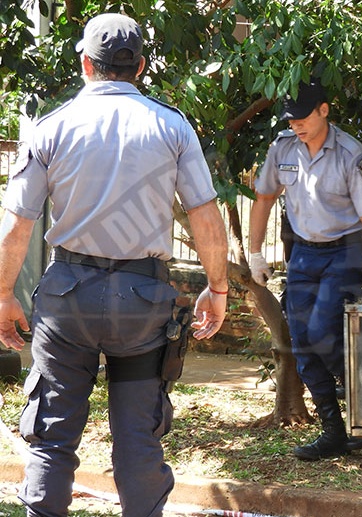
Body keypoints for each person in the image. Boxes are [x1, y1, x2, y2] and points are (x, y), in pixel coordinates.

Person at [0, 13, 229, 516]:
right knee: (137, 439)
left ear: (85, 63)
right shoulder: (172, 127)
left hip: (67, 301)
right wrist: (219, 288)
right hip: (142, 303)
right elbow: (206, 215)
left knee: (52, 436)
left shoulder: (50, 128)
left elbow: (17, 224)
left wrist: (2, 294)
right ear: (141, 66)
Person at [248, 79, 362, 460]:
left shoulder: (350, 154)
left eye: (303, 117)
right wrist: (256, 253)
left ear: (324, 110)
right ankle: (333, 432)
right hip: (304, 254)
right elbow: (263, 198)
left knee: (324, 330)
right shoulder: (283, 148)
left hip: (345, 250)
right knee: (303, 344)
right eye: (290, 120)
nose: (296, 125)